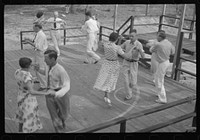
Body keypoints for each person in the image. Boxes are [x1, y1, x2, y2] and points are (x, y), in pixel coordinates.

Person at [34, 50, 71, 133]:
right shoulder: (47, 66)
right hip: (49, 93)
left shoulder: (61, 70)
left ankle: (62, 124)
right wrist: (38, 69)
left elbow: (67, 85)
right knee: (54, 115)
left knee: (63, 114)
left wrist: (56, 93)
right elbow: (46, 73)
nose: (44, 60)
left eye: (46, 58)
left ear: (53, 59)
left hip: (61, 94)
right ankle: (59, 131)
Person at [93, 32, 132, 106]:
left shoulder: (105, 44)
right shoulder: (117, 48)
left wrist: (119, 40)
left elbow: (115, 46)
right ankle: (107, 96)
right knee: (110, 80)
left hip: (106, 63)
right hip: (114, 64)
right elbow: (125, 56)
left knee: (105, 78)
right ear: (116, 39)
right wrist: (132, 52)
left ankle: (106, 95)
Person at [14, 57, 51, 133]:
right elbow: (31, 91)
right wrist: (45, 93)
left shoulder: (17, 71)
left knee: (21, 116)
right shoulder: (27, 77)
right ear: (29, 66)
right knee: (28, 119)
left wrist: (32, 77)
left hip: (20, 96)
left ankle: (20, 131)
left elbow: (23, 81)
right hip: (28, 100)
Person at [150, 31, 175, 104]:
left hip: (162, 63)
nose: (156, 37)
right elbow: (173, 52)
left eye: (157, 36)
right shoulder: (169, 43)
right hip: (167, 61)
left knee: (159, 80)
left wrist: (153, 45)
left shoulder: (159, 44)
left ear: (160, 37)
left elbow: (151, 50)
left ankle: (163, 98)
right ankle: (159, 94)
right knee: (160, 79)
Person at [120, 29, 145, 100]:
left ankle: (132, 86)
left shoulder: (139, 44)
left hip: (134, 63)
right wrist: (119, 40)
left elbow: (143, 56)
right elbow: (119, 48)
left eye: (132, 36)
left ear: (136, 37)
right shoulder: (127, 42)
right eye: (130, 36)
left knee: (133, 82)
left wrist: (139, 50)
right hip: (126, 62)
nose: (131, 37)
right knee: (125, 80)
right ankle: (129, 95)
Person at [23, 24, 48, 90]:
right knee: (35, 65)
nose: (33, 29)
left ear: (37, 28)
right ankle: (38, 79)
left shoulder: (41, 35)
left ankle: (44, 85)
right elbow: (35, 42)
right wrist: (29, 40)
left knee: (40, 68)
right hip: (37, 53)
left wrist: (29, 42)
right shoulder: (38, 34)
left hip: (40, 53)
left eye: (34, 28)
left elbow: (38, 46)